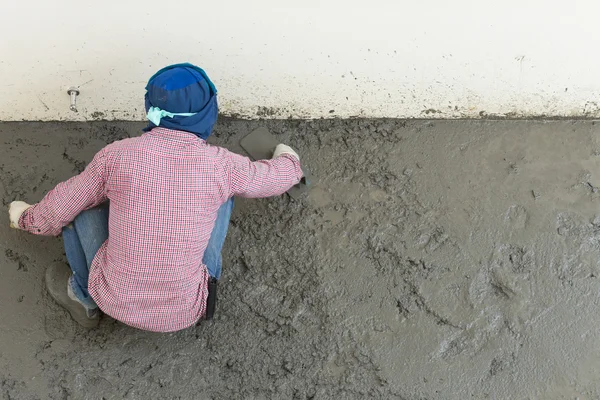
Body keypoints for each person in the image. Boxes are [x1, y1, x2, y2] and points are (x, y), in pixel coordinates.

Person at [8, 63, 302, 332]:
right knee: (223, 195)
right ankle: (195, 295)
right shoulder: (222, 166)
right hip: (186, 311)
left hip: (113, 299)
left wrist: (25, 218)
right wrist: (288, 159)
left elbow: (59, 208)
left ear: (150, 107)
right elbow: (276, 178)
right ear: (208, 112)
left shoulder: (118, 155)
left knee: (80, 205)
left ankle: (83, 297)